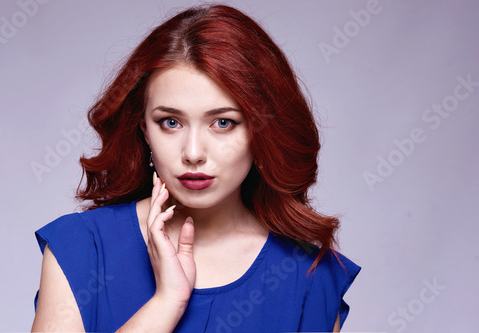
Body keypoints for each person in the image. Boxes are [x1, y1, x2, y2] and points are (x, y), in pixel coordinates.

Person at [31, 4, 360, 332]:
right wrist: (166, 303)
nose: (193, 153)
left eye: (223, 122)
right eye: (170, 122)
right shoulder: (80, 248)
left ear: (261, 130)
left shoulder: (310, 277)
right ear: (144, 128)